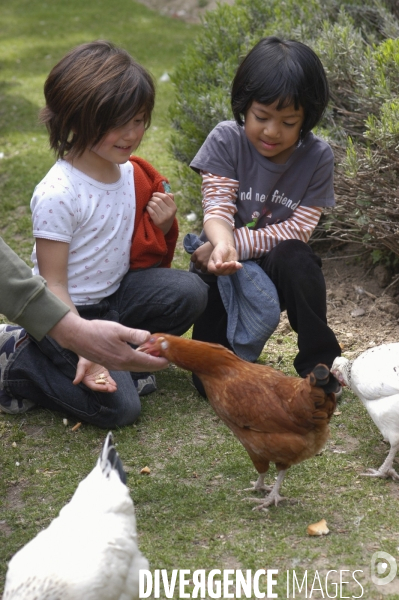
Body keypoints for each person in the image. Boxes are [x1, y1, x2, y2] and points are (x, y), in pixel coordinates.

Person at [0, 41, 208, 427]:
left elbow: (127, 250)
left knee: (190, 292)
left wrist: (160, 228)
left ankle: (123, 362)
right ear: (77, 118)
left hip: (115, 297)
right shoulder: (58, 193)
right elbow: (53, 284)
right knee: (120, 410)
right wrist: (83, 343)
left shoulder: (130, 172)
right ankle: (17, 364)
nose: (132, 134)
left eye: (140, 120)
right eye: (118, 122)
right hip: (63, 314)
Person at [188, 36, 341, 394]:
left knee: (298, 258)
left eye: (289, 123)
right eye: (262, 117)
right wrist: (222, 246)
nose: (272, 131)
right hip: (223, 266)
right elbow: (218, 207)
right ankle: (227, 359)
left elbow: (299, 228)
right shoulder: (226, 139)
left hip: (275, 264)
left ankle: (320, 365)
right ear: (244, 106)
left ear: (306, 120)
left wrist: (233, 244)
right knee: (206, 382)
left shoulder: (318, 156)